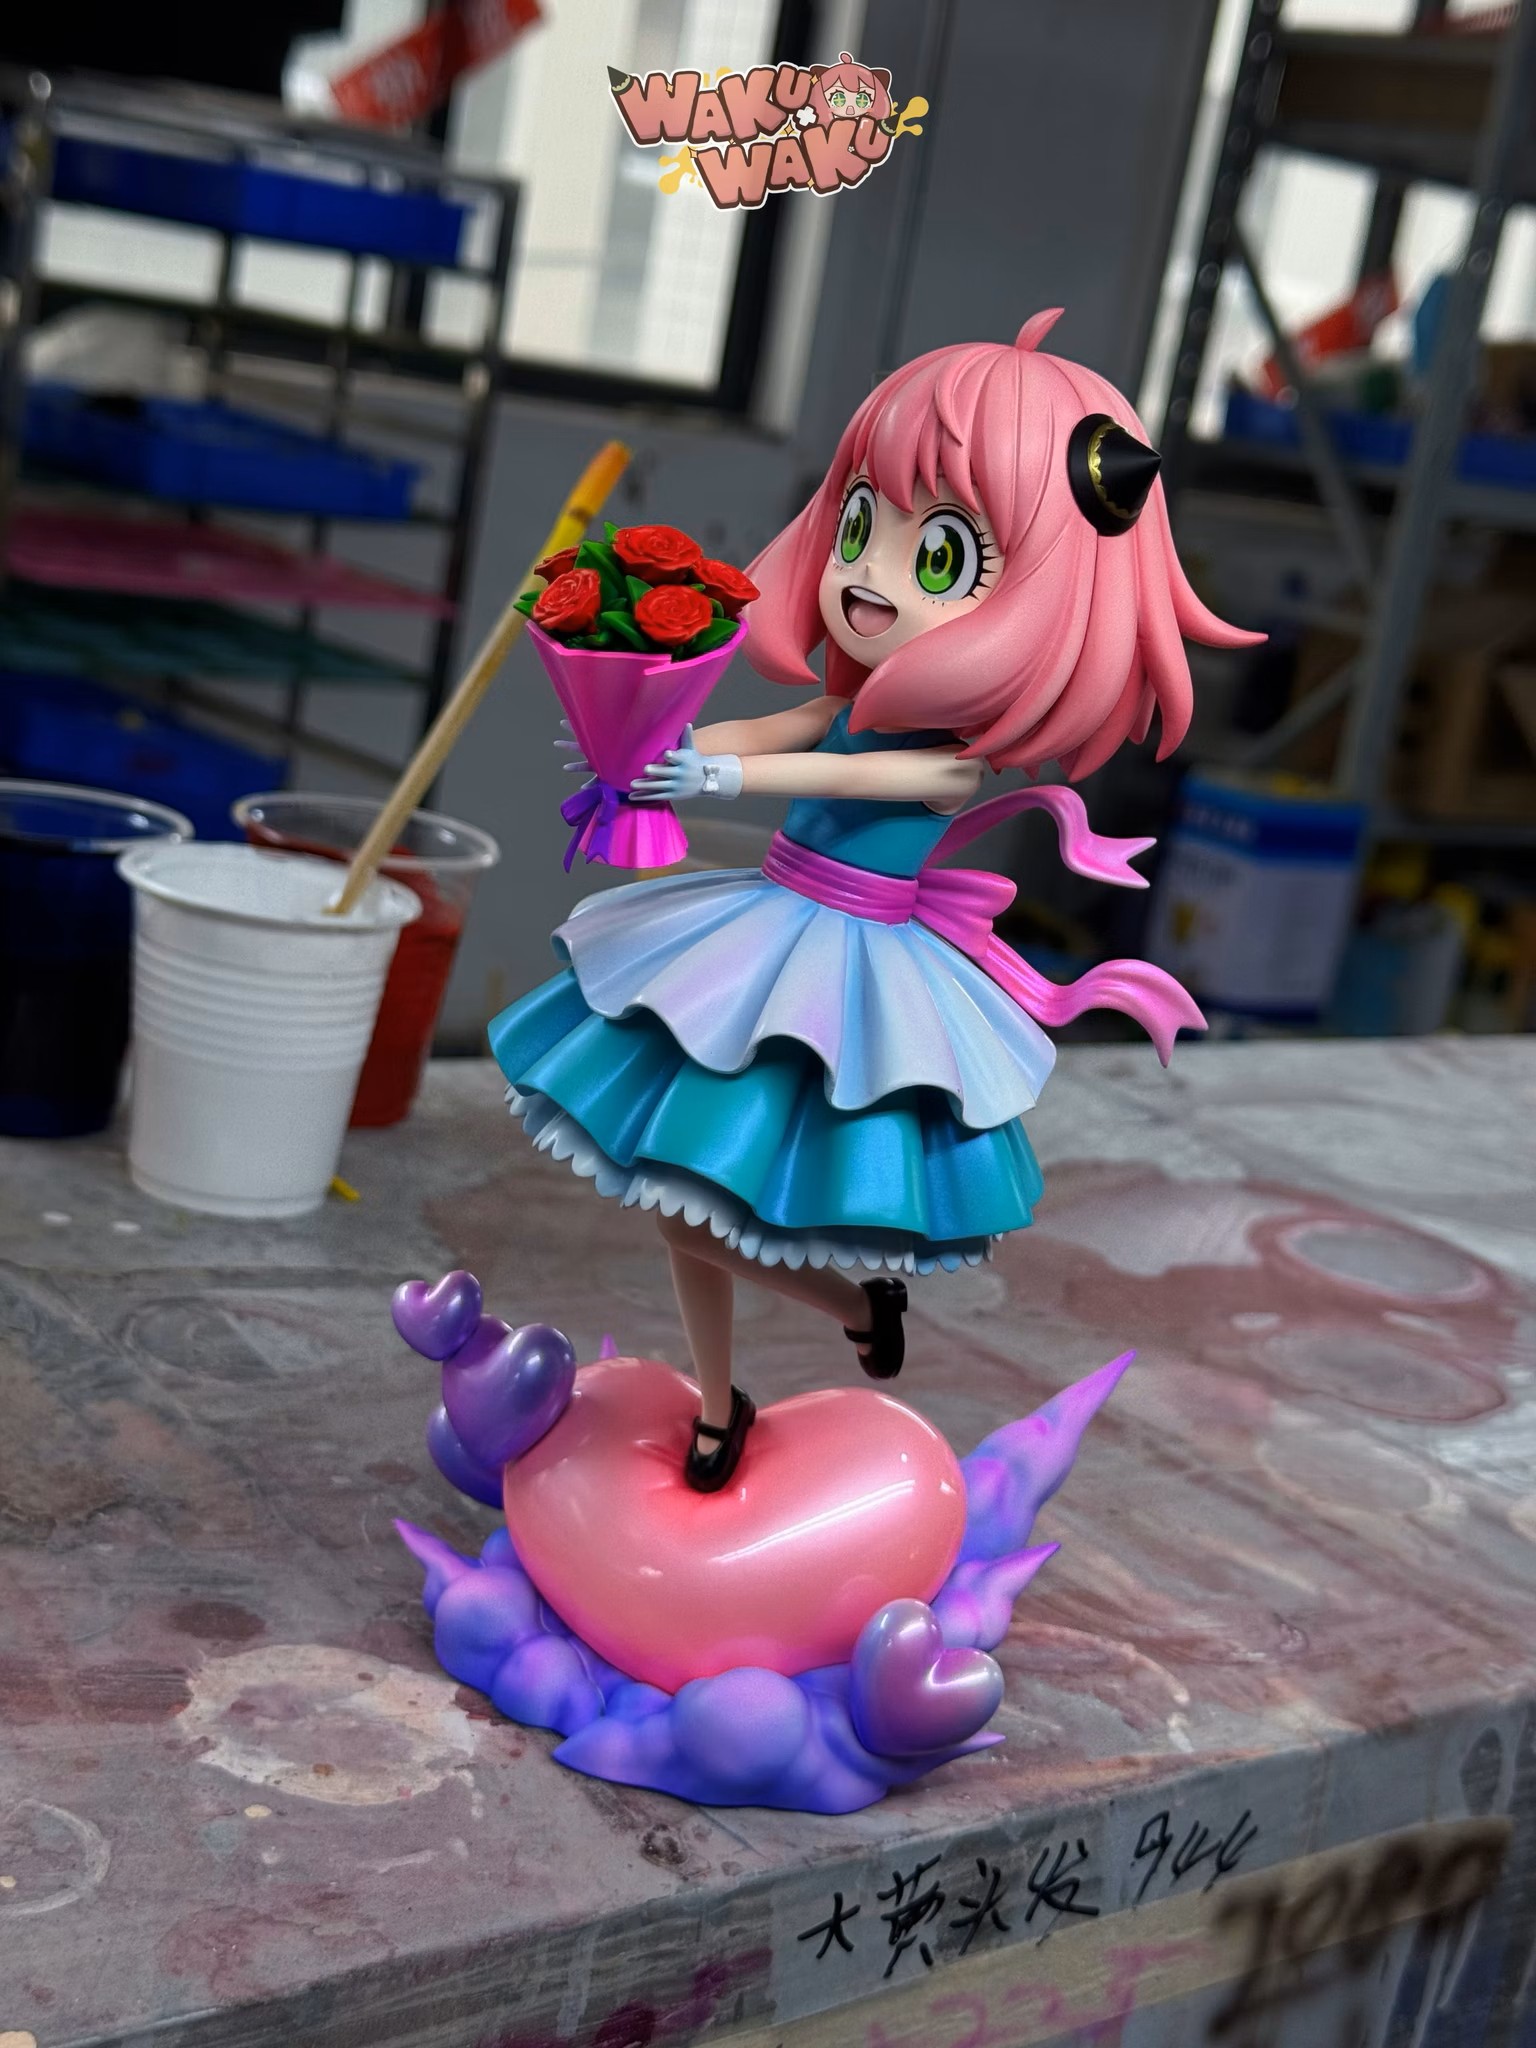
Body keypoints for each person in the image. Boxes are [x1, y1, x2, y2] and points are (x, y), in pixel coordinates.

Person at [488, 310, 1261, 1492]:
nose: (868, 575)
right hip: (763, 929)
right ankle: (718, 1399)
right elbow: (782, 726)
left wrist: (719, 777)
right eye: (859, 525)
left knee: (713, 1200)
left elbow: (857, 777)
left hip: (849, 971)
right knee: (676, 1195)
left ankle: (854, 1304)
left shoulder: (949, 751)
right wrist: (658, 744)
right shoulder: (855, 694)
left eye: (938, 556)